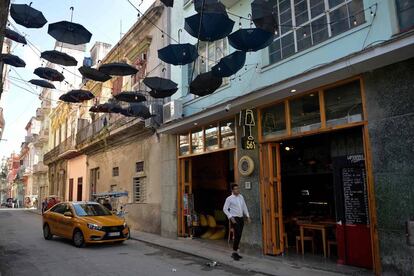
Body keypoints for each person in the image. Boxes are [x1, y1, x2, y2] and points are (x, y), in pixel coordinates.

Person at [223, 183, 251, 261]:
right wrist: (230, 217)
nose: (237, 190)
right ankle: (234, 252)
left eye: (238, 188)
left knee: (239, 235)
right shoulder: (229, 198)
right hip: (234, 219)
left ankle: (236, 252)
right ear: (232, 190)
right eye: (235, 189)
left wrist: (248, 216)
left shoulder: (241, 197)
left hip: (241, 218)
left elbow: (244, 207)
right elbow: (225, 209)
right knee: (237, 234)